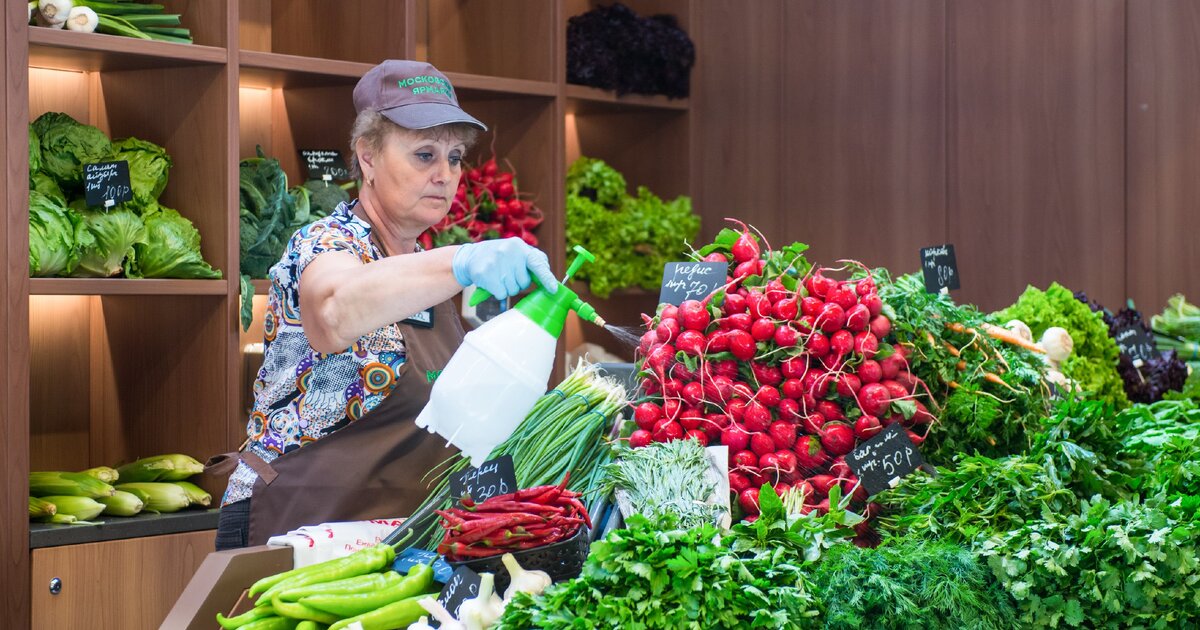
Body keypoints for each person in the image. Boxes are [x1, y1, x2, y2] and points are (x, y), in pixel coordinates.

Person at [210, 60, 558, 550]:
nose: (445, 174)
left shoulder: (421, 267)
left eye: (455, 157)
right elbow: (334, 312)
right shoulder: (324, 244)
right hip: (297, 528)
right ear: (367, 156)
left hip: (395, 537)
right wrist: (462, 260)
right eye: (424, 155)